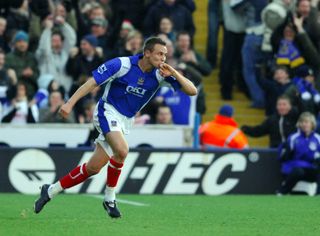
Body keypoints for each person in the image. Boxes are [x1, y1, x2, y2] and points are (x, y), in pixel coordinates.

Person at [34, 37, 197, 218]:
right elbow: (92, 82)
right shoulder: (122, 64)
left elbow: (192, 90)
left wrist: (174, 71)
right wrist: (69, 103)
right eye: (160, 53)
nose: (163, 58)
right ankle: (110, 198)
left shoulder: (161, 74)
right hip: (107, 111)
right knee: (122, 150)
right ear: (147, 53)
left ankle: (50, 190)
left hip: (125, 120)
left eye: (165, 55)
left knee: (93, 168)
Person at [278, 112, 320, 195]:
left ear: (312, 124)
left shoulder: (318, 138)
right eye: (302, 122)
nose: (304, 125)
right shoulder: (293, 138)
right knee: (298, 171)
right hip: (296, 168)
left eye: (307, 122)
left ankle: (318, 195)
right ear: (299, 124)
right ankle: (282, 192)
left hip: (311, 169)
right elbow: (284, 157)